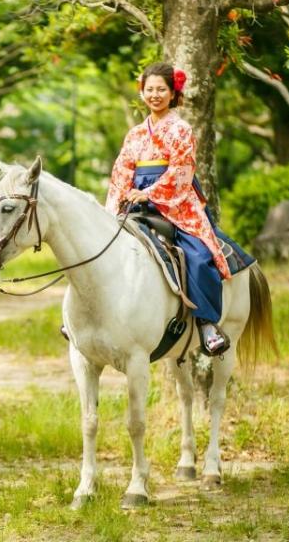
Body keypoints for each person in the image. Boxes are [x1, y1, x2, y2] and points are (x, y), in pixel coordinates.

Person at [105, 61, 233, 356]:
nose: (154, 95)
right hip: (134, 200)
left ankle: (207, 324)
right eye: (149, 89)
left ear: (173, 93)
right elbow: (122, 171)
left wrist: (148, 193)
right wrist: (120, 200)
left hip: (176, 203)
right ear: (142, 93)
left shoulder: (181, 129)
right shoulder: (135, 134)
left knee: (199, 256)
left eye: (161, 89)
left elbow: (180, 172)